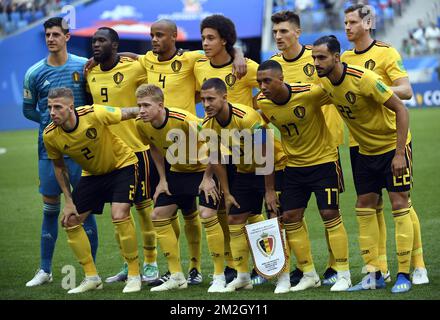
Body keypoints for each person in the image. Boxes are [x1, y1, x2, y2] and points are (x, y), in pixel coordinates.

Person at [312, 35, 415, 293]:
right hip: (365, 152)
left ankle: (403, 274)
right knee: (364, 206)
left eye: (321, 57)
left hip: (393, 148)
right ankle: (373, 273)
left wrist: (400, 154)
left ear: (337, 57)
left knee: (399, 203)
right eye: (314, 57)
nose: (316, 62)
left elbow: (402, 110)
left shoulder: (364, 78)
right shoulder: (324, 82)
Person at [342, 4, 428, 285]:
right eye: (345, 22)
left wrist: (375, 89)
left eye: (353, 22)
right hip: (358, 144)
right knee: (370, 204)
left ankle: (417, 265)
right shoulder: (343, 58)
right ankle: (378, 269)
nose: (347, 27)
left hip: (392, 139)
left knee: (401, 201)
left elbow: (406, 90)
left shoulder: (386, 53)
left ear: (368, 24)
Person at [256, 60, 351, 292]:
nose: (262, 86)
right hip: (294, 167)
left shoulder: (309, 93)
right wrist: (268, 188)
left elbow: (338, 91)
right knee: (290, 216)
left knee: (329, 212)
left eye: (267, 81)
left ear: (281, 79)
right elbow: (260, 137)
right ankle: (309, 273)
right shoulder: (262, 102)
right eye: (259, 82)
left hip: (324, 162)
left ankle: (344, 273)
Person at [42, 87, 142, 294]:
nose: (52, 112)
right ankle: (92, 277)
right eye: (50, 107)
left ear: (71, 108)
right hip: (93, 175)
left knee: (119, 214)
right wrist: (68, 201)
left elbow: (127, 112)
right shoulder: (50, 135)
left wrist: (149, 110)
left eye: (57, 107)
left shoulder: (94, 113)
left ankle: (133, 274)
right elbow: (59, 167)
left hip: (122, 165)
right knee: (70, 220)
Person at [270, 10, 344, 286]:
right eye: (275, 32)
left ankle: (335, 265)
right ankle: (303, 268)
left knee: (329, 210)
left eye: (284, 31)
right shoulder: (273, 66)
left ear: (298, 32)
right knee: (291, 213)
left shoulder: (318, 57)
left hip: (325, 146)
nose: (278, 36)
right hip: (291, 153)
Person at [23, 17, 98, 287]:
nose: (51, 38)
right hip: (49, 150)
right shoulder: (34, 73)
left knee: (83, 208)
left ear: (67, 37)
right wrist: (51, 124)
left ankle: (93, 270)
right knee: (50, 210)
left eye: (56, 34)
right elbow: (29, 109)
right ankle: (45, 270)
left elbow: (92, 103)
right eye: (47, 34)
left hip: (82, 151)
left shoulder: (83, 67)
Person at [193, 14, 267, 285]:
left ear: (225, 40)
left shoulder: (246, 67)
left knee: (248, 212)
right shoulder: (198, 65)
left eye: (211, 38)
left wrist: (239, 56)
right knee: (218, 210)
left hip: (247, 151)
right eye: (203, 38)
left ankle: (263, 267)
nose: (205, 43)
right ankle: (229, 268)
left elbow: (270, 89)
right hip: (215, 148)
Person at [86, 27, 159, 284]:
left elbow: (152, 62)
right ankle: (130, 265)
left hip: (137, 149)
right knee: (119, 215)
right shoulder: (90, 73)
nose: (96, 44)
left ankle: (151, 263)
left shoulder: (134, 68)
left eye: (102, 40)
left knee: (144, 209)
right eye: (94, 40)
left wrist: (129, 54)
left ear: (114, 45)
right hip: (108, 156)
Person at [201, 78, 287, 292]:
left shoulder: (246, 117)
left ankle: (283, 275)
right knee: (234, 218)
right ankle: (242, 276)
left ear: (224, 97)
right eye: (203, 99)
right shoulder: (209, 123)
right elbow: (216, 158)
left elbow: (266, 154)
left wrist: (269, 191)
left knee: (275, 217)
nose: (206, 104)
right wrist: (227, 193)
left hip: (272, 168)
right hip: (245, 171)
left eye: (211, 99)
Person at [134, 84, 223, 292]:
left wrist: (208, 177)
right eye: (139, 105)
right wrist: (163, 179)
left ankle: (218, 275)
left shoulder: (185, 120)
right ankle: (176, 276)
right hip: (177, 172)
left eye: (146, 105)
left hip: (203, 169)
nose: (141, 110)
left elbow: (215, 144)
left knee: (207, 213)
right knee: (158, 215)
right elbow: (154, 148)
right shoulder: (141, 124)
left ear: (160, 105)